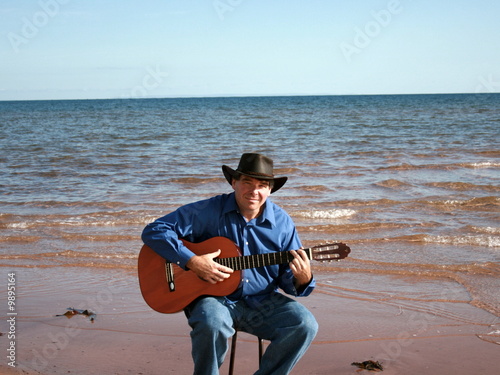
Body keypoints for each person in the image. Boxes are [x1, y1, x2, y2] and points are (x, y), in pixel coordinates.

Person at [141, 153, 318, 375]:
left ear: (270, 190)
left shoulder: (282, 223)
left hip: (262, 302)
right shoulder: (208, 210)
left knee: (304, 324)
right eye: (247, 183)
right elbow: (154, 230)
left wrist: (303, 278)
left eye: (262, 185)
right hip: (215, 299)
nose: (254, 191)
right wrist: (192, 261)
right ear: (234, 182)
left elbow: (286, 278)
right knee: (211, 323)